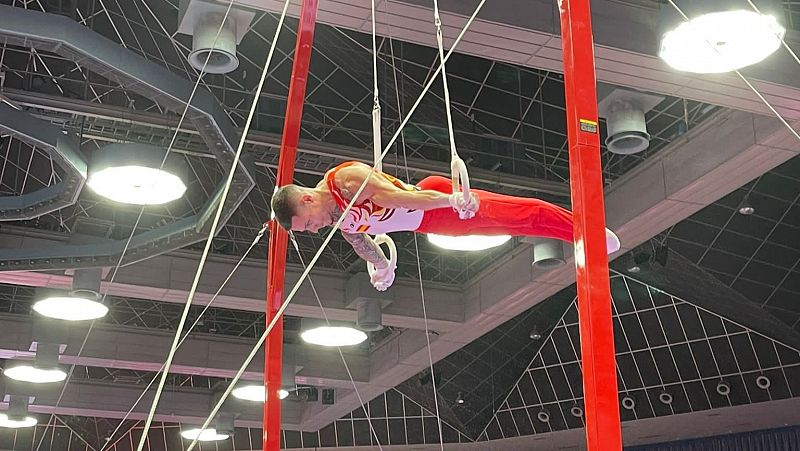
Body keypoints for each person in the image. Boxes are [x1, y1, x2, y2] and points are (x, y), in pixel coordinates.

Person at [271, 161, 620, 290]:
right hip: (431, 225)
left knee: (518, 214)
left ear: (307, 200)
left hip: (432, 200)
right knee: (511, 227)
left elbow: (400, 200)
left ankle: (587, 230)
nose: (316, 230)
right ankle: (579, 235)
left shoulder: (348, 181)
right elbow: (359, 242)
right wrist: (382, 267)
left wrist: (449, 200)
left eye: (309, 225)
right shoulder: (338, 217)